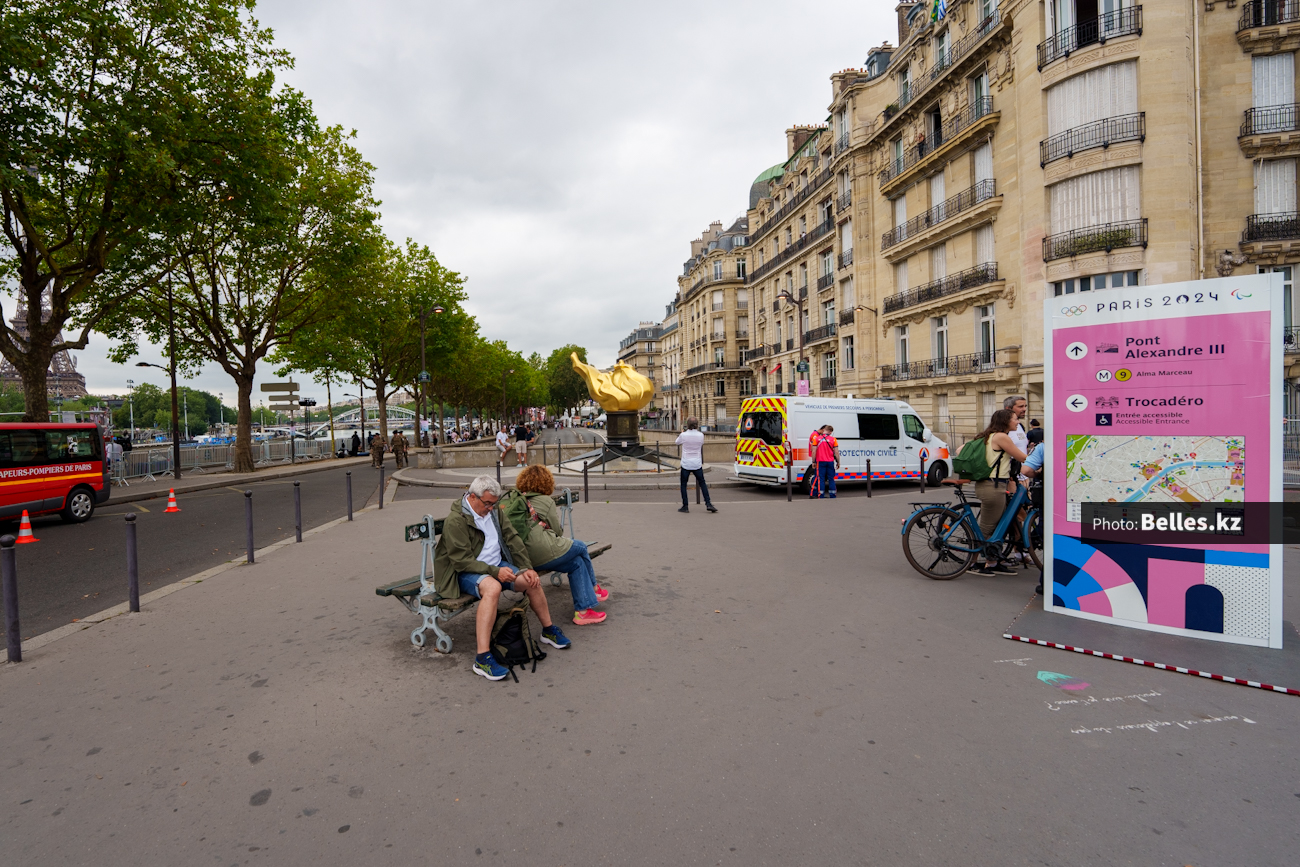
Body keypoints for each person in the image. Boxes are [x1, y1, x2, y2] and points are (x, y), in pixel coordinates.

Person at [433, 475, 571, 680]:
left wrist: (526, 567)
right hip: (464, 572)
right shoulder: (456, 520)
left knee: (531, 581)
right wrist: (495, 572)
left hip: (496, 566)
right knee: (493, 588)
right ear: (472, 497)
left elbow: (512, 538)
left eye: (494, 504)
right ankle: (482, 658)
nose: (491, 508)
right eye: (487, 503)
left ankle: (548, 630)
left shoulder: (494, 510)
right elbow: (461, 561)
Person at [511, 465, 608, 625]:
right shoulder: (545, 500)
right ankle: (594, 588)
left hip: (522, 558)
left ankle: (583, 612)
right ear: (546, 482)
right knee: (581, 547)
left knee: (576, 563)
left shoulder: (517, 500)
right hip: (541, 553)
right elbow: (558, 531)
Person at [972, 408, 1028, 576]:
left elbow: (960, 450)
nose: (1018, 422)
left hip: (993, 485)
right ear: (1006, 421)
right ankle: (971, 563)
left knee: (997, 527)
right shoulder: (1001, 437)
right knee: (987, 528)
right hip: (993, 486)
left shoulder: (988, 436)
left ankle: (992, 562)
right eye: (1015, 419)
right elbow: (1022, 457)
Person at [675, 417, 717, 513]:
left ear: (687, 425)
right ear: (697, 425)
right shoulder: (701, 435)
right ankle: (708, 503)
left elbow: (677, 442)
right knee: (702, 483)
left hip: (686, 463)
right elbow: (701, 444)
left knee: (683, 485)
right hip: (697, 463)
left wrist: (682, 433)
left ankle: (685, 506)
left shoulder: (683, 435)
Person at [808, 425, 840, 498]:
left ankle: (821, 495)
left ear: (824, 430)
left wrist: (813, 462)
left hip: (820, 461)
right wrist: (838, 462)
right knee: (831, 478)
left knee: (820, 478)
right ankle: (832, 495)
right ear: (830, 432)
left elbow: (814, 451)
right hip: (830, 462)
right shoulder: (833, 439)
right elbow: (836, 452)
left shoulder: (817, 439)